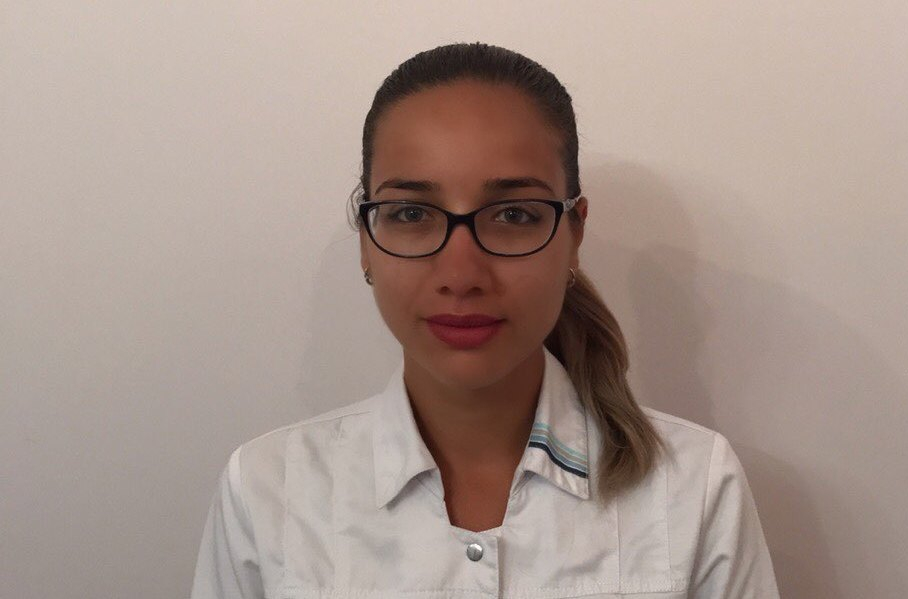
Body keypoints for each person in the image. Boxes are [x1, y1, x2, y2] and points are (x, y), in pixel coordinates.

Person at [190, 42, 780, 598]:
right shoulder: (268, 490)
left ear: (574, 234)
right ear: (366, 243)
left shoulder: (694, 487)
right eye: (412, 213)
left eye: (514, 214)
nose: (461, 274)